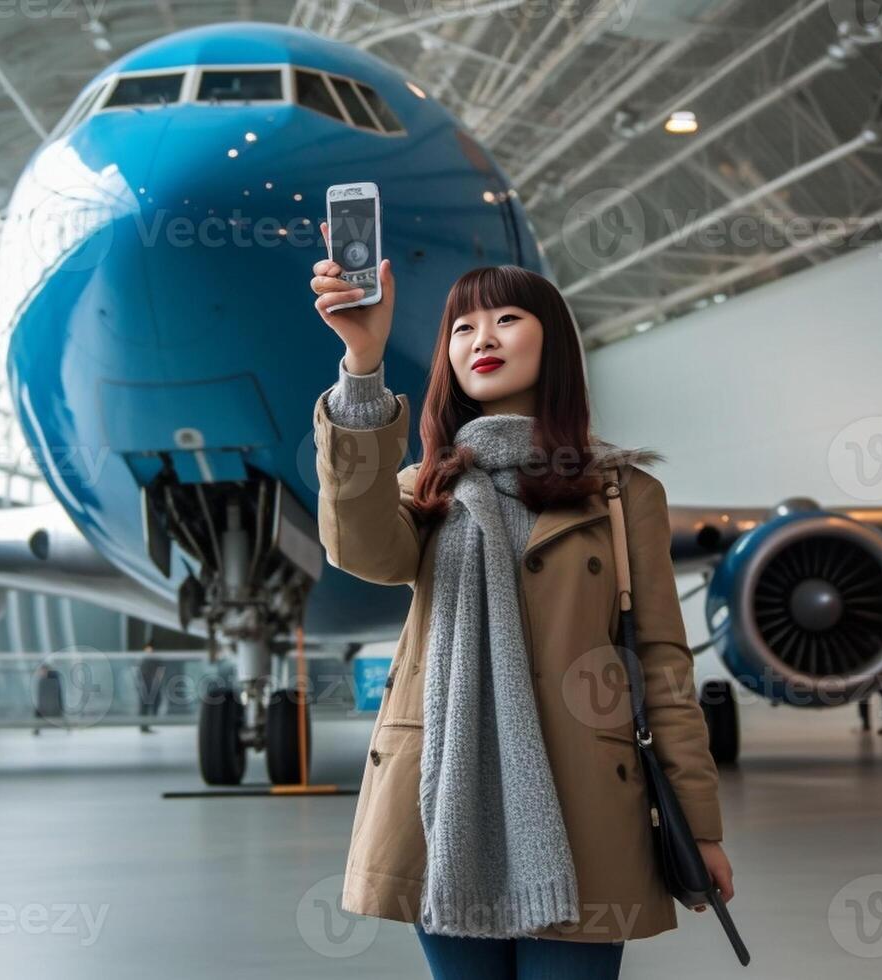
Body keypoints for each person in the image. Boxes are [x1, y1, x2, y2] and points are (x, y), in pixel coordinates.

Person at [311, 253, 733, 979]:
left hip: (586, 808)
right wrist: (362, 361)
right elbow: (360, 548)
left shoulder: (620, 492)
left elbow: (662, 662)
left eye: (507, 318)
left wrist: (700, 826)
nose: (483, 336)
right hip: (442, 805)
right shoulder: (423, 489)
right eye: (463, 325)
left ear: (554, 345)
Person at [136, 643, 164, 734]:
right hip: (145, 687)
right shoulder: (143, 661)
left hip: (151, 687)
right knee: (144, 707)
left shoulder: (153, 660)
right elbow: (139, 675)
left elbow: (159, 672)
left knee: (155, 702)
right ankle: (144, 727)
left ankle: (146, 725)